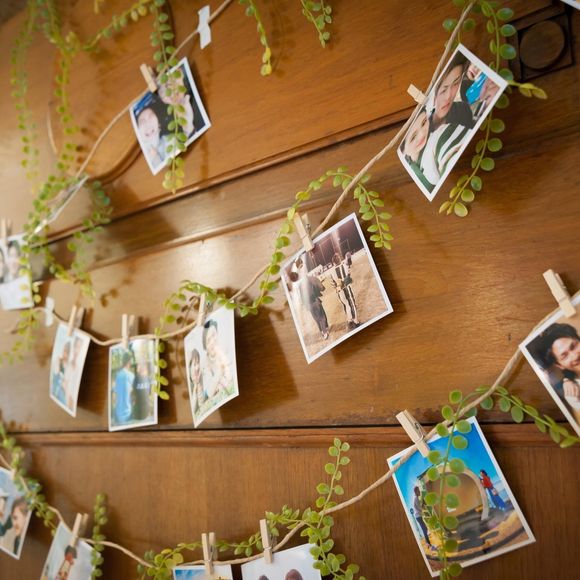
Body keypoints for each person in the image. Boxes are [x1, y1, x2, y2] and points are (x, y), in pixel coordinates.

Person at [535, 323, 580, 421]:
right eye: (564, 356)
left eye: (573, 346)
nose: (575, 356)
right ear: (560, 365)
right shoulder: (574, 395)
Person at [291, 256, 330, 340]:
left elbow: (302, 297)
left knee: (316, 318)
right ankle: (325, 332)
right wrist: (320, 287)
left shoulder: (300, 285)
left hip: (309, 304)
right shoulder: (311, 279)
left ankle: (322, 331)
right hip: (315, 301)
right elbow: (321, 288)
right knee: (321, 316)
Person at [159, 66, 196, 138]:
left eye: (174, 81)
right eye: (167, 86)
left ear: (180, 73)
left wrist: (188, 126)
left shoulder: (194, 90)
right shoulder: (163, 117)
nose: (172, 88)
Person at [202, 319, 234, 399]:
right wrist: (220, 370)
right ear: (206, 347)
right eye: (208, 340)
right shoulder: (205, 363)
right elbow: (209, 392)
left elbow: (231, 376)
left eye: (213, 335)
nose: (212, 341)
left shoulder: (225, 347)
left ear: (217, 333)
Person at [329, 252, 360, 330]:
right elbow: (349, 277)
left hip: (340, 292)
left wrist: (338, 286)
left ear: (333, 262)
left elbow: (333, 285)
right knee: (352, 304)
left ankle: (349, 320)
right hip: (347, 289)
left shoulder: (331, 272)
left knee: (345, 305)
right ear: (339, 260)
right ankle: (356, 321)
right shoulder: (344, 266)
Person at [136, 106, 169, 171]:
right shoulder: (138, 158)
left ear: (159, 124)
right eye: (142, 122)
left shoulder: (170, 141)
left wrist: (156, 159)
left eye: (151, 117)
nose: (148, 124)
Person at [112, 351, 135, 425]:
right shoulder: (131, 376)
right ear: (129, 362)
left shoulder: (117, 375)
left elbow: (115, 393)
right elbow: (134, 394)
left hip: (118, 415)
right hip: (128, 414)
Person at [51, 341, 71, 406]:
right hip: (55, 386)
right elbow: (56, 372)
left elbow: (66, 383)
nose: (65, 353)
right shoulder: (58, 360)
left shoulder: (68, 366)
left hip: (61, 391)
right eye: (64, 350)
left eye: (67, 352)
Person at [188, 348, 206, 415]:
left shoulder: (199, 374)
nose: (197, 367)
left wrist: (198, 384)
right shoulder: (189, 383)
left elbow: (201, 403)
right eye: (195, 364)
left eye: (198, 363)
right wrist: (195, 389)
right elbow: (193, 410)